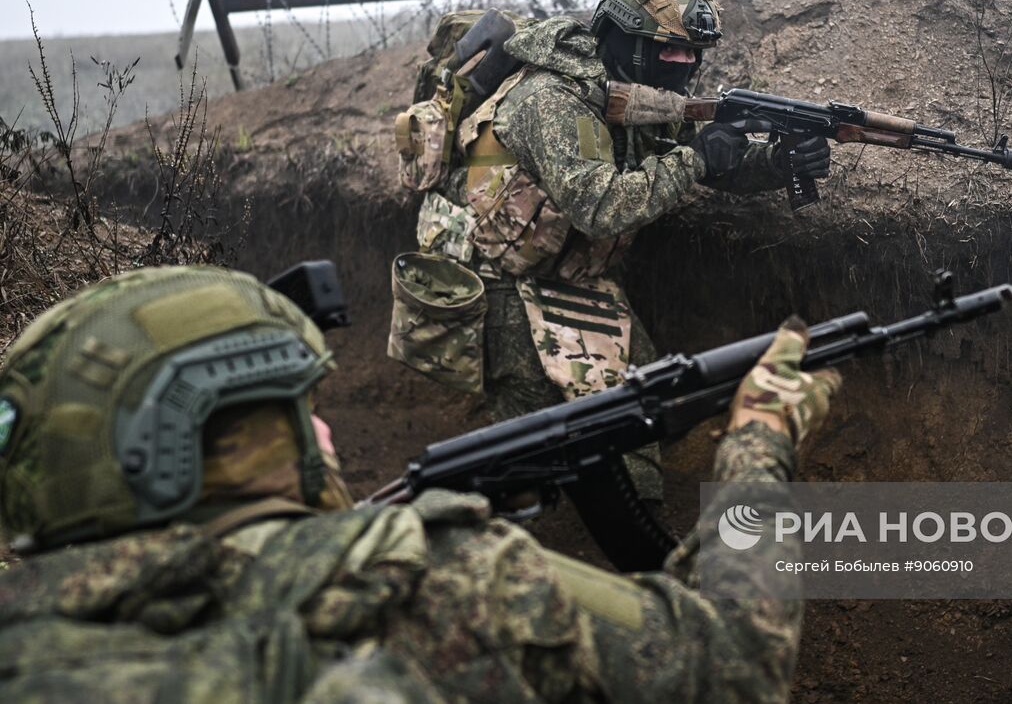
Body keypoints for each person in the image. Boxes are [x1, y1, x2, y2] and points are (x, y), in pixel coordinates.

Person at [0, 265, 841, 701]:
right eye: (300, 408)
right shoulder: (435, 581)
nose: (323, 430)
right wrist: (758, 440)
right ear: (210, 438)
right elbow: (730, 667)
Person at [402, 0, 832, 502]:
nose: (683, 63)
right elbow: (599, 205)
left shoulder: (639, 93)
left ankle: (623, 511)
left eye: (692, 53)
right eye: (669, 49)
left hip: (579, 276)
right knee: (526, 461)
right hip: (501, 284)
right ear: (623, 39)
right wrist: (695, 160)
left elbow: (711, 161)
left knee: (646, 416)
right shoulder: (551, 99)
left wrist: (779, 162)